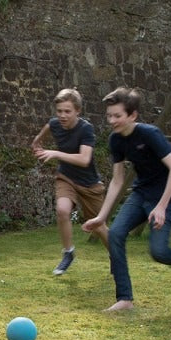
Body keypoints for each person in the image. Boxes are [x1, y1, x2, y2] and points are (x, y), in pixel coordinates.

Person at [82, 86, 171, 311]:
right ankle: (125, 299)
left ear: (132, 115)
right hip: (140, 193)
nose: (112, 120)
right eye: (109, 116)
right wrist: (101, 216)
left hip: (164, 197)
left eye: (117, 116)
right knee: (116, 234)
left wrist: (161, 207)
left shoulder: (150, 134)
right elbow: (117, 180)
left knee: (158, 252)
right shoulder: (115, 140)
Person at [31, 88, 108, 275]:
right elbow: (47, 129)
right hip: (66, 177)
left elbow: (84, 159)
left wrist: (55, 153)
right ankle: (68, 253)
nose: (62, 116)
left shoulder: (86, 129)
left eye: (67, 111)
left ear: (77, 111)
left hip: (89, 184)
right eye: (59, 111)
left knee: (99, 227)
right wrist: (37, 142)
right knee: (62, 210)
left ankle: (117, 257)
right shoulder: (55, 124)